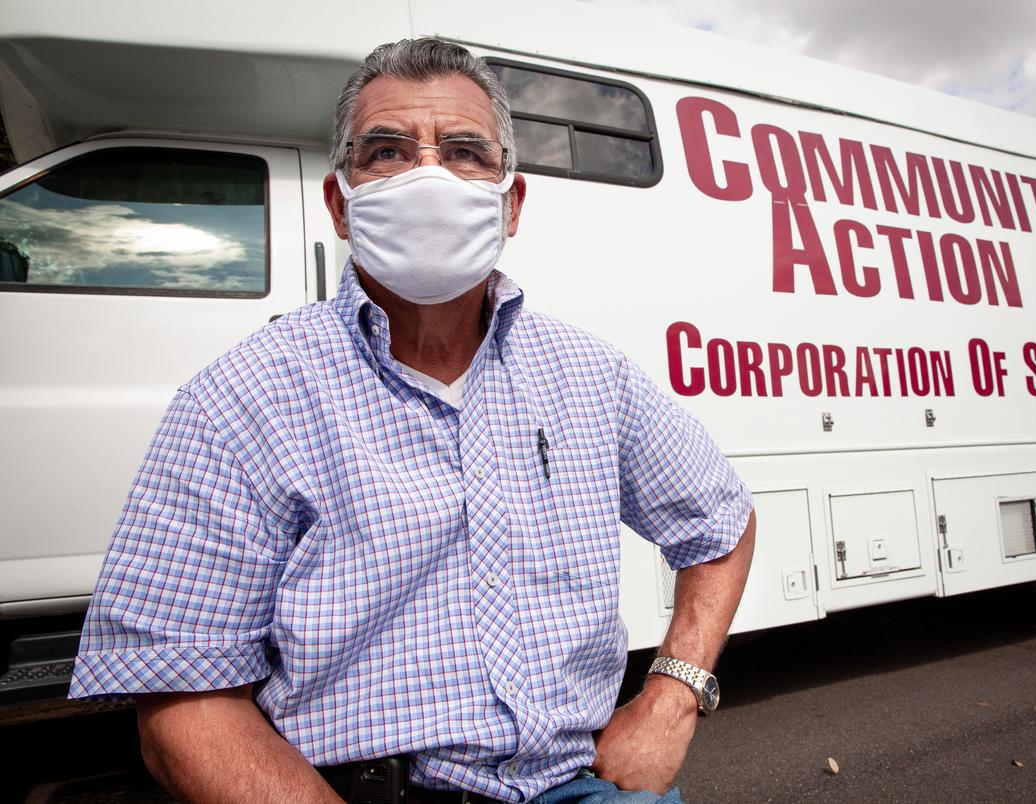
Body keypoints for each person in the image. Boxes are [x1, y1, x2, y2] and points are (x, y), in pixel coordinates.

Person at [69, 38, 755, 804]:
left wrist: (674, 692)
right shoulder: (243, 398)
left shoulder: (592, 377)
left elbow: (720, 521)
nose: (430, 176)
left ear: (511, 202)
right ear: (340, 200)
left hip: (583, 788)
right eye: (388, 151)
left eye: (464, 151)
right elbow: (181, 700)